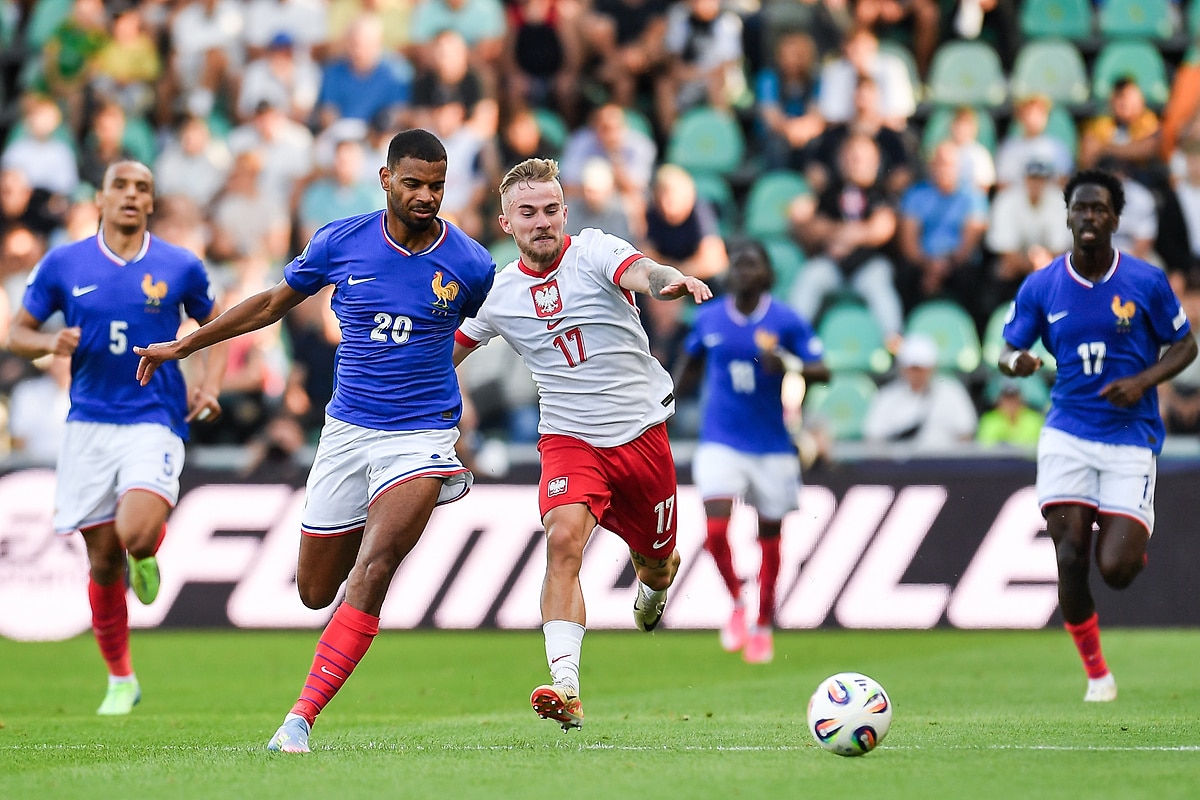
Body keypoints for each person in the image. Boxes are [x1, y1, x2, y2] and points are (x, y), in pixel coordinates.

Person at [133, 130, 496, 751]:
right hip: (348, 433)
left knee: (374, 568)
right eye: (413, 183)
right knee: (315, 590)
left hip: (423, 438)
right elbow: (271, 304)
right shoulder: (340, 241)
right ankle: (353, 572)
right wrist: (187, 344)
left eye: (436, 186)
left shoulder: (470, 263)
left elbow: (502, 320)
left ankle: (298, 720)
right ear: (386, 179)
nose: (425, 196)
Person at [452, 157, 712, 731]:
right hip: (569, 437)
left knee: (658, 566)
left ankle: (652, 590)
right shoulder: (498, 292)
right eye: (527, 213)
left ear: (565, 213)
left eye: (550, 210)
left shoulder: (594, 250)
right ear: (506, 223)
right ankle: (565, 685)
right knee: (563, 538)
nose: (541, 221)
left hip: (640, 434)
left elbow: (643, 271)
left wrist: (670, 281)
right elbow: (448, 354)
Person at [5, 160, 228, 715]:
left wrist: (209, 383)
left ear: (151, 203)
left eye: (142, 188)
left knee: (133, 532)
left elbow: (217, 324)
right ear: (100, 200)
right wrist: (50, 341)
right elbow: (16, 333)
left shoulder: (179, 265)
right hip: (88, 424)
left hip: (155, 416)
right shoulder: (64, 263)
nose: (131, 195)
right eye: (120, 186)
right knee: (103, 562)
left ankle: (146, 549)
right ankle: (121, 677)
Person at [999, 168, 1198, 702]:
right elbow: (1008, 350)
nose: (1089, 216)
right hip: (1067, 432)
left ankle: (1129, 544)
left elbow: (1186, 345)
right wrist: (1017, 362)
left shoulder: (1145, 281)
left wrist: (1143, 381)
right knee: (1069, 554)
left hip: (1131, 437)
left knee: (1116, 570)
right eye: (1080, 208)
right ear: (1067, 216)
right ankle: (1096, 675)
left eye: (1099, 208)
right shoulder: (1042, 284)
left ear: (1115, 218)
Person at [673, 240, 829, 664]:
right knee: (715, 531)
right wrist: (663, 404)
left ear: (767, 274)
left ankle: (763, 622)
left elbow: (823, 370)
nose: (742, 271)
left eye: (751, 264)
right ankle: (738, 602)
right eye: (737, 264)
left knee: (770, 539)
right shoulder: (708, 317)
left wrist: (790, 365)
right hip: (720, 440)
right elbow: (689, 365)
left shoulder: (786, 320)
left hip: (772, 446)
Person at [862, 333, 978, 449]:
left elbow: (966, 433)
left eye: (922, 368)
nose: (917, 374)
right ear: (903, 368)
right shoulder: (887, 397)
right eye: (913, 368)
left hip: (945, 459)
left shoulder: (952, 393)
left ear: (932, 368)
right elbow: (874, 439)